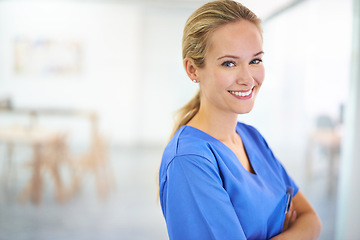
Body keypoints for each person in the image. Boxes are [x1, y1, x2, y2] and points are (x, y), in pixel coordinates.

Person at [158, 0, 322, 239]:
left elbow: (311, 221)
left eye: (255, 60)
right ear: (193, 70)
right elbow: (303, 228)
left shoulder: (251, 137)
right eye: (229, 63)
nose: (247, 78)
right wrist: (286, 230)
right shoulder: (189, 161)